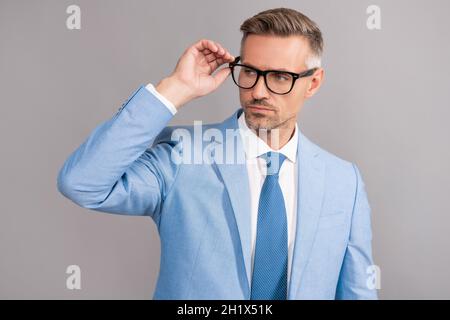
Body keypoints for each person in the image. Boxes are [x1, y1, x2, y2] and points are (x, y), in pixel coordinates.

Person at [57, 7, 377, 300]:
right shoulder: (183, 155)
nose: (259, 91)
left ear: (313, 83)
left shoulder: (344, 181)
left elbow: (357, 292)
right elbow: (82, 183)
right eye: (249, 71)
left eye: (280, 77)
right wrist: (174, 90)